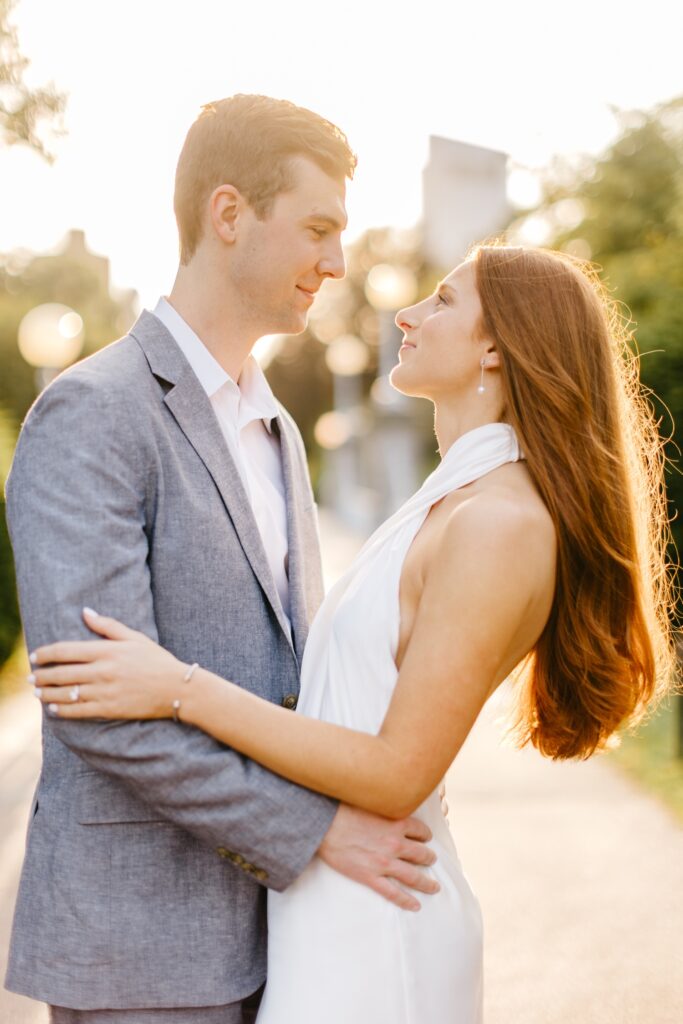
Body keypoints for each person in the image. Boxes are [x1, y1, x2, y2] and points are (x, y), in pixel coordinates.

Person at [30, 243, 676, 1023]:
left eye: (441, 301)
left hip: (379, 916)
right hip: (332, 902)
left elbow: (399, 770)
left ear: (497, 347)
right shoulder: (454, 499)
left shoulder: (498, 523)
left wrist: (179, 689)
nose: (408, 314)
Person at [4, 95, 441, 1024]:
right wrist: (317, 831)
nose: (336, 262)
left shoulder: (276, 424)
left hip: (283, 937)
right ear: (230, 213)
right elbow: (100, 712)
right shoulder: (94, 412)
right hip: (143, 947)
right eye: (317, 227)